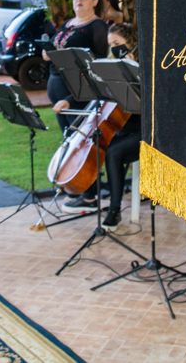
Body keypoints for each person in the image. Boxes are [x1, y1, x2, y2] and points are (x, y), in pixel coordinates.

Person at [55, 23, 141, 227]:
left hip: (143, 129)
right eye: (111, 45)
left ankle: (114, 210)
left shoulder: (143, 67)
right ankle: (94, 197)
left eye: (118, 44)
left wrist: (132, 76)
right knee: (107, 147)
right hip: (121, 128)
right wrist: (68, 100)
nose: (114, 49)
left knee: (113, 153)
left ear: (131, 43)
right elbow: (94, 89)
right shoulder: (109, 66)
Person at [43, 0, 109, 134]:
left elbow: (99, 59)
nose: (79, 0)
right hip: (55, 83)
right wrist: (47, 53)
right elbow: (55, 45)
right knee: (67, 135)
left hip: (75, 89)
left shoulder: (97, 25)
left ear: (95, 1)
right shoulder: (68, 23)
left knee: (79, 135)